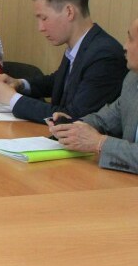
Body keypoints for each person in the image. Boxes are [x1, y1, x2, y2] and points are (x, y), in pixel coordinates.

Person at [0, 0, 126, 123]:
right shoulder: (82, 44)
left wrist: (13, 99)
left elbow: (73, 117)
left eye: (44, 18)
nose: (40, 28)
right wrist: (20, 84)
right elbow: (59, 81)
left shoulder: (104, 56)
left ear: (69, 12)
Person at [50, 16, 138, 174]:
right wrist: (72, 126)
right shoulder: (133, 79)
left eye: (131, 39)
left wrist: (100, 143)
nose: (124, 46)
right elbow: (106, 119)